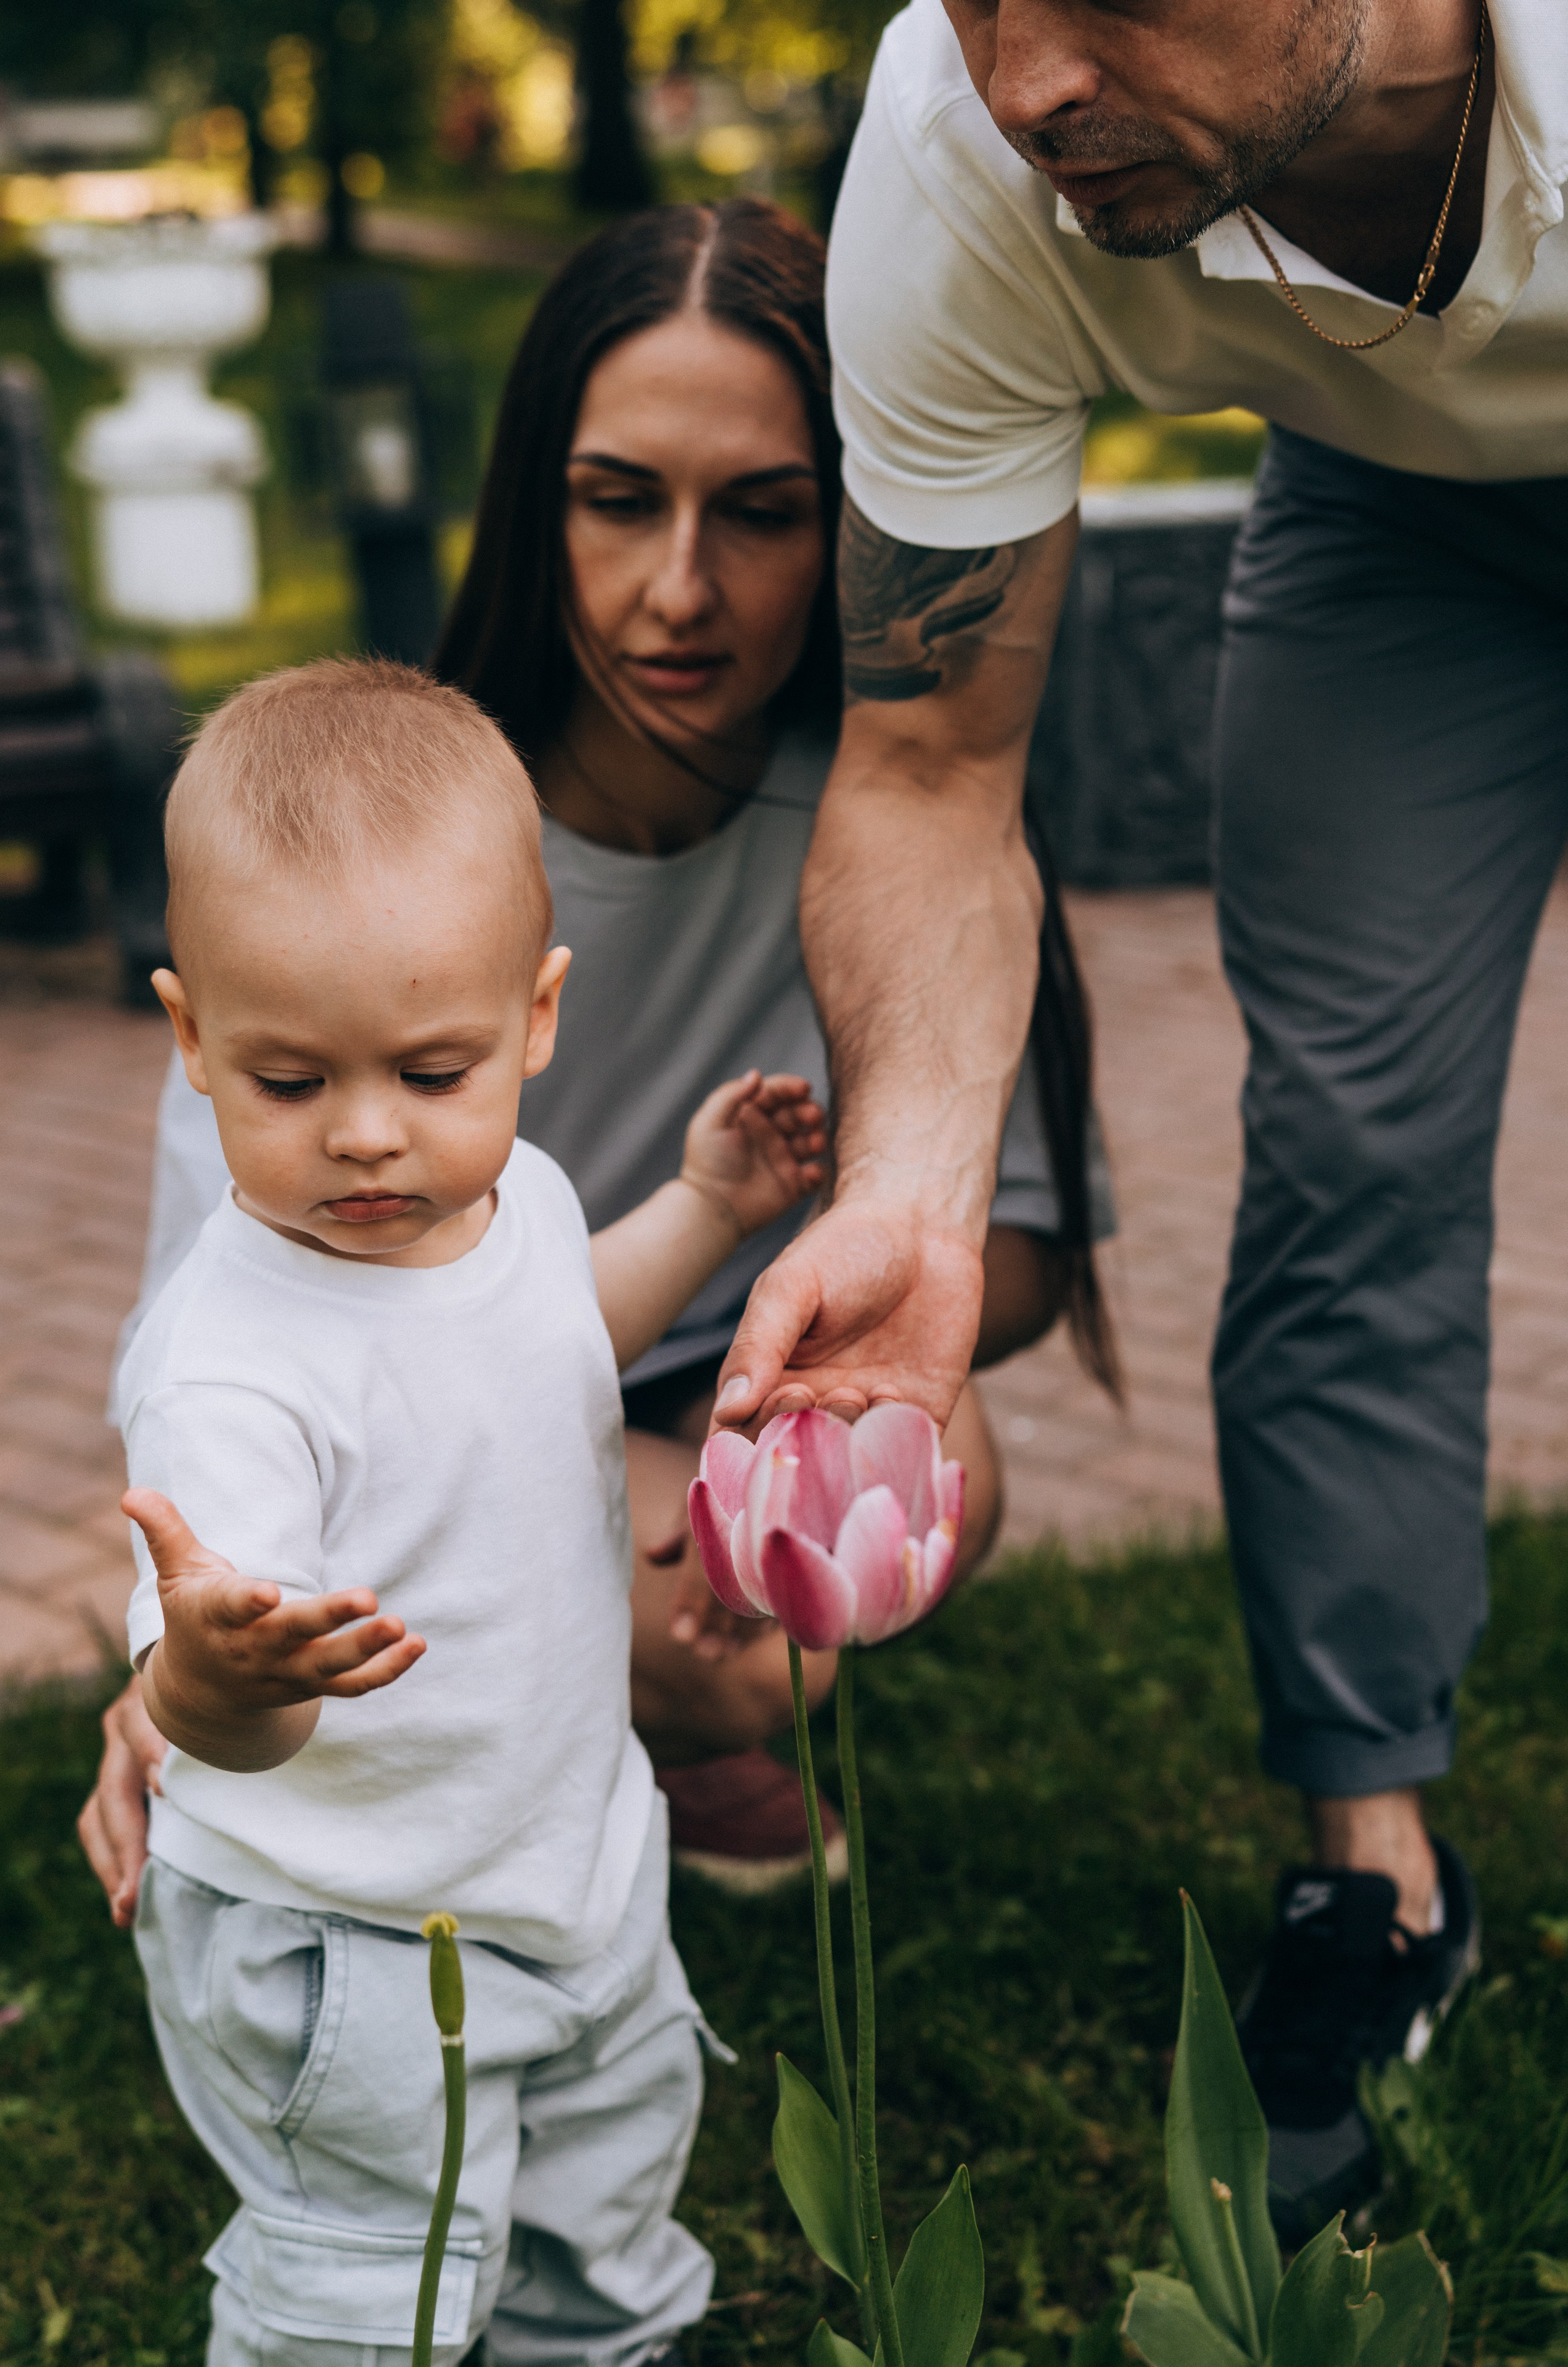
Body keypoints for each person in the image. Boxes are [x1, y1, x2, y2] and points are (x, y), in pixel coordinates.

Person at [708, 0, 1564, 2238]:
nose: (1023, 79)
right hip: (1404, 527)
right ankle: (1373, 1870)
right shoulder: (963, 158)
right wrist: (913, 1181)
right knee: (1356, 1142)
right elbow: (924, 765)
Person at [78, 198, 1115, 1916]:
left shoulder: (899, 820)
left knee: (938, 1470)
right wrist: (179, 1669)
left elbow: (1014, 1251)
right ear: (534, 502)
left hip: (705, 1368)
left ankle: (622, 1716)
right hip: (403, 1402)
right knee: (706, 1647)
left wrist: (756, 1370)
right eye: (618, 501)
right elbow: (203, 1332)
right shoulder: (379, 858)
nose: (680, 591)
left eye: (766, 515)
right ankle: (588, 1745)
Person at [118, 654, 834, 2367]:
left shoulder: (513, 1204)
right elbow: (210, 1705)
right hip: (343, 1929)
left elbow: (562, 1331)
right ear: (194, 1038)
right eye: (291, 1086)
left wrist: (705, 1208)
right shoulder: (233, 1362)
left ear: (536, 1016)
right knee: (372, 2279)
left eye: (431, 1074)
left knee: (601, 2203)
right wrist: (227, 1669)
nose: (370, 1140)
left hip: (566, 1855)